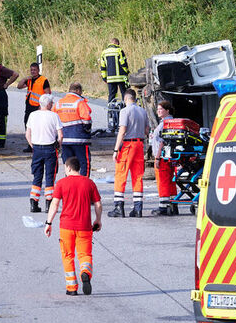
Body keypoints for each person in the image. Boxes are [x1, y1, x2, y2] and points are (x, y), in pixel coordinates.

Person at [44, 157, 102, 296]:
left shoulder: (62, 183)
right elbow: (98, 204)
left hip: (66, 227)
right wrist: (98, 220)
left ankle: (72, 288)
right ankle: (85, 272)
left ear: (69, 168)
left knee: (68, 255)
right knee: (85, 255)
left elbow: (54, 204)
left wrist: (49, 222)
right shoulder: (89, 183)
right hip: (84, 226)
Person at [110, 88, 150, 218]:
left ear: (125, 98)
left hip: (128, 145)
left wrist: (116, 149)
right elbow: (146, 130)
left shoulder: (124, 111)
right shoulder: (143, 111)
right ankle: (138, 208)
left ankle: (118, 207)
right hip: (140, 145)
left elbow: (122, 131)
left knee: (121, 174)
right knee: (138, 176)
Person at [25, 93, 62, 213]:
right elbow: (60, 135)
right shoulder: (54, 116)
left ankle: (33, 203)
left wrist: (33, 145)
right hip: (50, 148)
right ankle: (49, 204)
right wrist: (59, 145)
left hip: (37, 148)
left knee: (37, 176)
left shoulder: (32, 115)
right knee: (50, 176)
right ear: (49, 104)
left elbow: (27, 134)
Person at [54, 82, 92, 177]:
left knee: (68, 164)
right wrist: (87, 130)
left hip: (64, 140)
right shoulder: (80, 102)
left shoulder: (59, 103)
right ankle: (83, 184)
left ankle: (69, 184)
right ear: (78, 91)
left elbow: (53, 119)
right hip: (79, 140)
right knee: (84, 163)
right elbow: (87, 120)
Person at [149, 100, 179, 216]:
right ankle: (173, 205)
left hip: (162, 157)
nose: (158, 111)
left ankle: (163, 207)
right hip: (170, 156)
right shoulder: (171, 122)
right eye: (157, 109)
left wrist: (156, 158)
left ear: (167, 110)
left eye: (161, 109)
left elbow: (162, 141)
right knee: (171, 181)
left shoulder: (164, 124)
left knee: (163, 181)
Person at [17, 62, 50, 152]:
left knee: (38, 126)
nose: (33, 72)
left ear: (38, 70)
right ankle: (30, 145)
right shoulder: (29, 80)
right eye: (31, 70)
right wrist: (24, 79)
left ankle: (38, 145)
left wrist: (44, 106)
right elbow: (19, 86)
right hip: (29, 107)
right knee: (28, 125)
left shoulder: (43, 80)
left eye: (34, 70)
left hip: (39, 107)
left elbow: (48, 94)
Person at [99, 38, 129, 103]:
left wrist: (104, 78)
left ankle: (111, 110)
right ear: (117, 43)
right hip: (121, 78)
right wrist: (126, 72)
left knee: (112, 95)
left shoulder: (104, 52)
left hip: (110, 79)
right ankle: (125, 109)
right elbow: (123, 63)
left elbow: (103, 67)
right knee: (125, 93)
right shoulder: (119, 50)